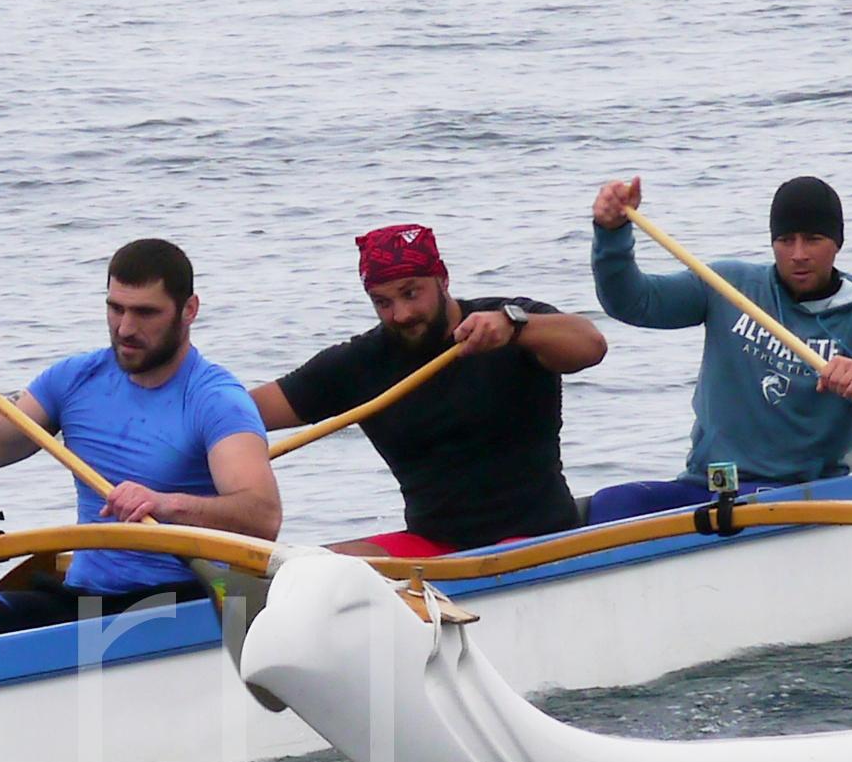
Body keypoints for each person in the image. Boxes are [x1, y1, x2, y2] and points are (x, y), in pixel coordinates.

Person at [0, 238, 280, 640]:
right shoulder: (74, 380)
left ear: (189, 311)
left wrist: (164, 504)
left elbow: (262, 517)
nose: (125, 328)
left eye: (145, 312)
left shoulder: (216, 400)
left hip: (183, 600)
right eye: (115, 308)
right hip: (88, 599)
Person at [583, 173, 852, 520]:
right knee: (612, 504)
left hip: (798, 495)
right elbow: (632, 302)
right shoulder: (729, 285)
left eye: (813, 240)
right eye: (785, 240)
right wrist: (612, 233)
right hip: (709, 486)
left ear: (836, 243)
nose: (798, 255)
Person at [249, 222, 606, 556]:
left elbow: (591, 345)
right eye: (382, 303)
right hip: (433, 547)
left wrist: (516, 328)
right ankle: (233, 620)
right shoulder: (359, 364)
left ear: (442, 279)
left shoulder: (509, 320)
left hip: (540, 538)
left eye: (410, 293)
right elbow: (243, 414)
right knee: (294, 574)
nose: (400, 314)